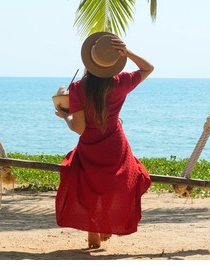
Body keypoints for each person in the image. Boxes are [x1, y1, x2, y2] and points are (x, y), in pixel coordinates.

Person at [54, 31, 154, 248]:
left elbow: (78, 128)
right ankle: (105, 224)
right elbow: (148, 67)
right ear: (115, 61)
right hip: (116, 148)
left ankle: (93, 226)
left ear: (89, 59)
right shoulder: (121, 82)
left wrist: (65, 116)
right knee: (120, 178)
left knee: (84, 178)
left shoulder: (79, 88)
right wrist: (127, 52)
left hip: (90, 148)